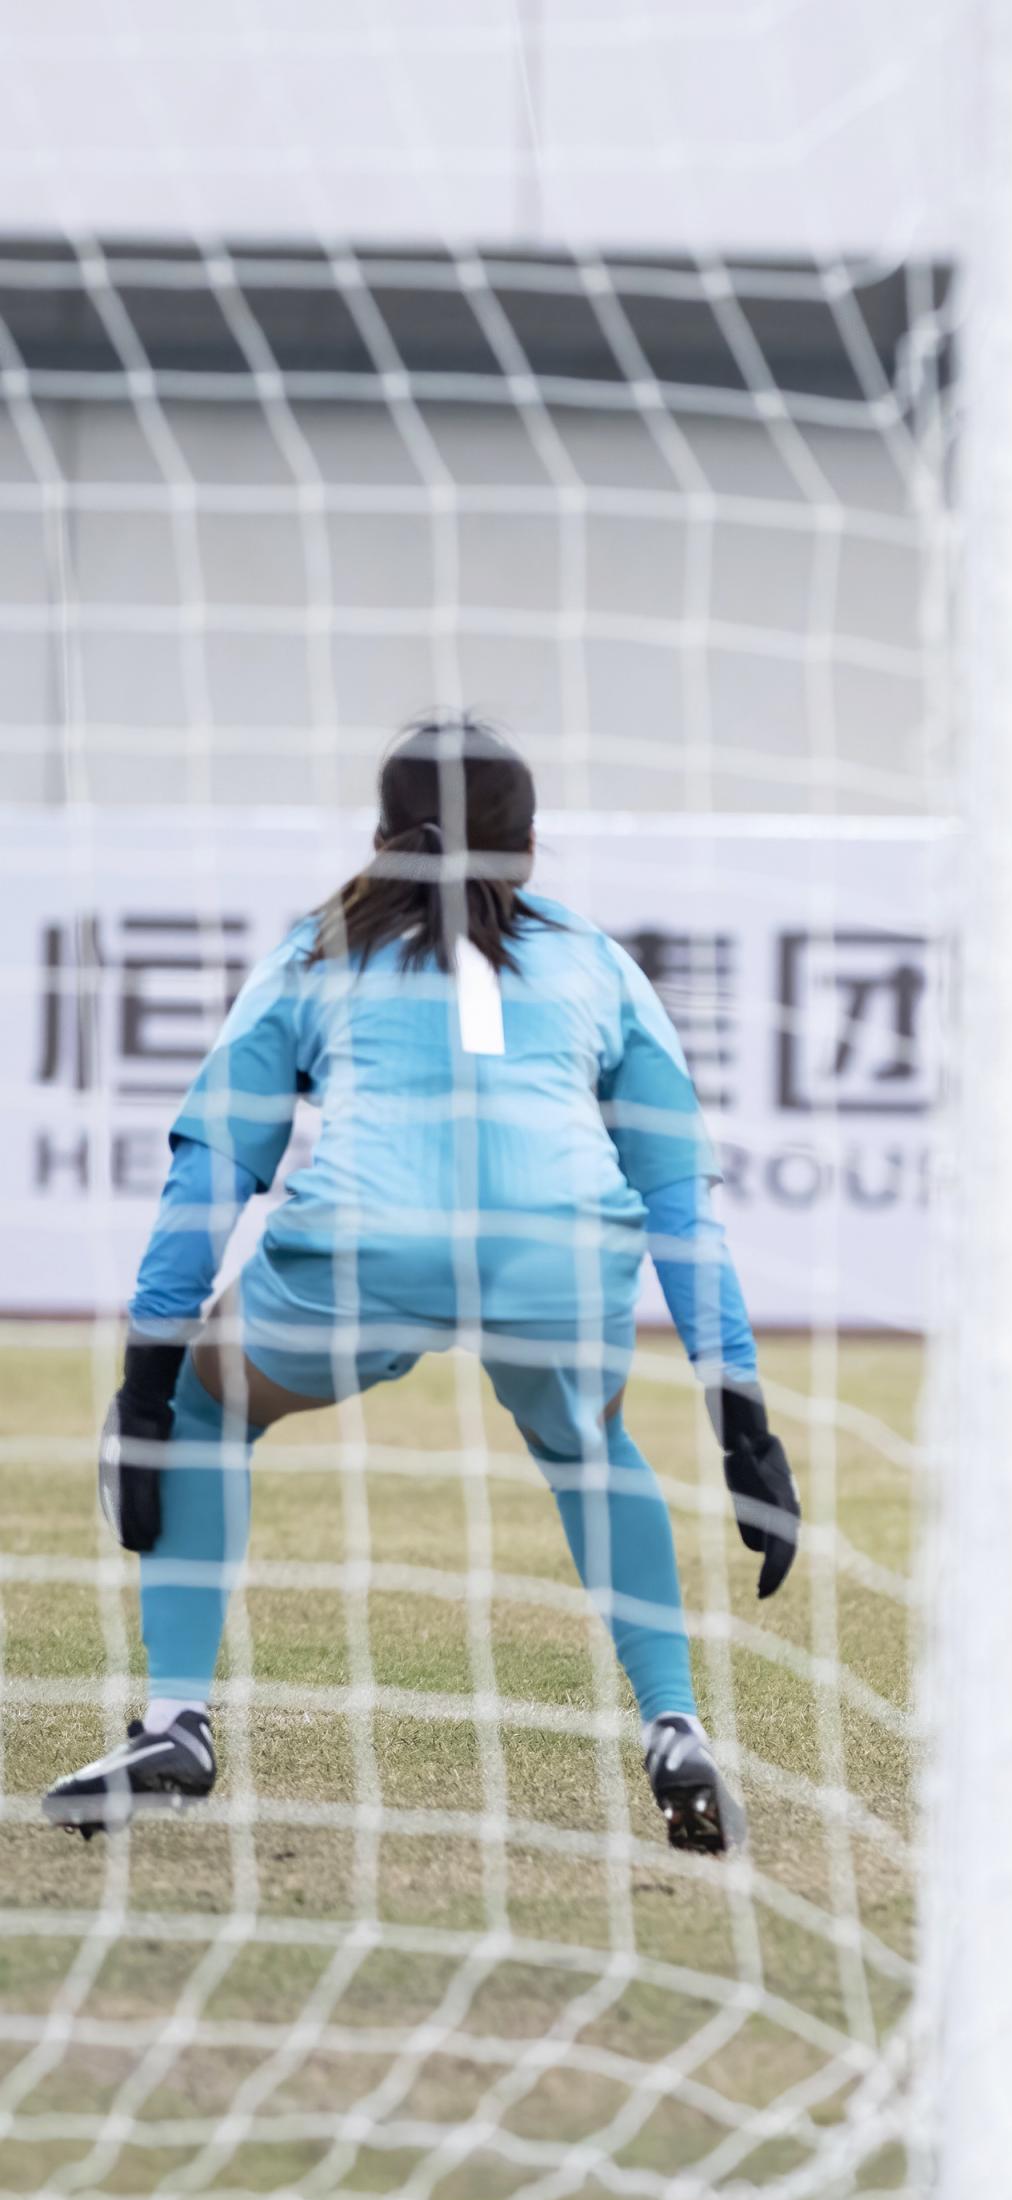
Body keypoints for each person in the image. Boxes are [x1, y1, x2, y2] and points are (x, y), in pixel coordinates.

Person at [45, 717, 801, 1848]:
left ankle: (177, 1718)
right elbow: (680, 1205)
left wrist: (147, 1387)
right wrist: (741, 1416)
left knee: (205, 1406)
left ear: (381, 837)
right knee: (592, 1448)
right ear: (532, 847)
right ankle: (675, 1727)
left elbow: (212, 1172)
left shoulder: (317, 949)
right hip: (560, 1249)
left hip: (363, 1246)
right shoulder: (596, 957)